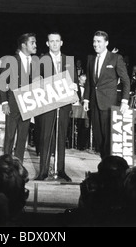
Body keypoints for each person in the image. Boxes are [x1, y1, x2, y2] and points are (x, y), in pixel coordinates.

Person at [35, 32, 76, 182]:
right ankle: (43, 171)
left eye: (57, 41)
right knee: (46, 137)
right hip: (47, 104)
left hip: (64, 105)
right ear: (47, 43)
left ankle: (61, 170)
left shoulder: (69, 60)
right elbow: (35, 81)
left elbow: (75, 81)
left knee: (61, 137)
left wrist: (74, 86)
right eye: (51, 41)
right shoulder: (41, 60)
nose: (54, 44)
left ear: (61, 42)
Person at [83, 30, 130, 159]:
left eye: (99, 41)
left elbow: (126, 80)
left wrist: (125, 101)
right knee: (98, 139)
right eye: (94, 41)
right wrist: (86, 99)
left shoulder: (116, 58)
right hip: (94, 104)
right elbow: (89, 82)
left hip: (109, 105)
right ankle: (105, 165)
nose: (95, 44)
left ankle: (110, 167)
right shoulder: (90, 59)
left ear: (106, 43)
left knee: (108, 139)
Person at [0, 33, 37, 162]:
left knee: (22, 137)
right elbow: (2, 82)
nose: (35, 45)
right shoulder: (11, 61)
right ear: (23, 45)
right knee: (10, 136)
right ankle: (5, 163)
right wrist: (4, 102)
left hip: (28, 104)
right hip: (13, 103)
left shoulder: (36, 62)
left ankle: (18, 164)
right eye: (32, 42)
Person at [76, 74, 90, 151]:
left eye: (85, 80)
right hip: (77, 109)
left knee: (85, 126)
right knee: (79, 125)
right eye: (82, 79)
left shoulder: (87, 88)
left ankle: (84, 145)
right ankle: (76, 144)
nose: (83, 82)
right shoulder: (76, 87)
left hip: (85, 110)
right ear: (79, 79)